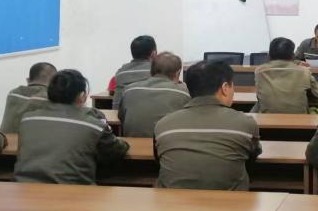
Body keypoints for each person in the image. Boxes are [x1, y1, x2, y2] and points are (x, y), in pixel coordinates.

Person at [154, 61, 261, 190]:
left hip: (171, 201)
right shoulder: (245, 124)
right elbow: (251, 159)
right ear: (225, 88)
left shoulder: (163, 125)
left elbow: (159, 160)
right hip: (228, 200)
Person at [15, 69, 128, 185]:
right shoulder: (94, 125)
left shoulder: (27, 119)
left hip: (24, 187)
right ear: (82, 96)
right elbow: (117, 151)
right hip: (72, 192)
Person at [118, 52, 190, 138]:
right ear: (178, 73)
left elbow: (121, 117)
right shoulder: (184, 93)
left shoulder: (129, 89)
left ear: (151, 70)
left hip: (132, 143)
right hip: (165, 143)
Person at [253, 37, 318, 113]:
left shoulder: (259, 71)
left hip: (267, 117)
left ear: (269, 54)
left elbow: (259, 96)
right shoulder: (304, 71)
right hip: (299, 117)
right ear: (292, 55)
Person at [0, 62, 57, 133]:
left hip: (5, 138)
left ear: (28, 80)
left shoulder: (13, 93)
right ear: (54, 82)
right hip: (29, 140)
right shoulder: (50, 98)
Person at [112, 35, 157, 111]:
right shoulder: (156, 71)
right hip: (149, 113)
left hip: (121, 114)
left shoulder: (121, 72)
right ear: (154, 53)